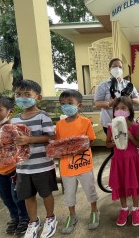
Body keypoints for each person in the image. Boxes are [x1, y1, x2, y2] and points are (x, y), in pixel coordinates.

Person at [11, 79, 58, 238]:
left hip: (43, 165)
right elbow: (13, 140)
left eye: (27, 94)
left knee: (46, 194)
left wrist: (29, 140)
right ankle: (33, 221)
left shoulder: (43, 116)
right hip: (23, 167)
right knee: (27, 196)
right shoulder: (15, 119)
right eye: (18, 94)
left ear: (38, 97)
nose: (22, 97)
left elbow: (50, 137)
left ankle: (50, 218)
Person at [56, 90, 99, 233]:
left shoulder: (85, 122)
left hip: (84, 164)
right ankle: (72, 214)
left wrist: (78, 149)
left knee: (89, 189)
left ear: (79, 106)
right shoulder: (59, 124)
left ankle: (94, 211)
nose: (66, 106)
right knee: (69, 193)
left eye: (70, 103)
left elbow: (90, 141)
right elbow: (58, 144)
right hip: (66, 166)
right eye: (63, 104)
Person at [0, 96, 29, 235]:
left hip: (14, 169)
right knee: (5, 196)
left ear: (10, 111)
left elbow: (23, 148)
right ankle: (14, 217)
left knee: (17, 196)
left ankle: (24, 218)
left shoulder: (15, 128)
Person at [106, 96, 139, 227]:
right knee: (121, 185)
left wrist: (130, 136)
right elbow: (107, 144)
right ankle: (124, 209)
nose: (119, 111)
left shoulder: (134, 126)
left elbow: (138, 143)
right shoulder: (111, 126)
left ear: (130, 110)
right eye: (116, 108)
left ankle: (135, 208)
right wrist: (112, 143)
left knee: (133, 185)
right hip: (119, 161)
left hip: (132, 161)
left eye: (123, 108)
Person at [94, 58, 139, 137]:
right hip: (109, 120)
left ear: (122, 69)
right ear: (109, 68)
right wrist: (109, 104)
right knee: (113, 144)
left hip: (127, 120)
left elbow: (137, 100)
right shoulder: (103, 85)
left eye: (120, 67)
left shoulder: (128, 84)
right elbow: (97, 103)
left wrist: (128, 101)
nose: (117, 69)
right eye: (114, 66)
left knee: (129, 143)